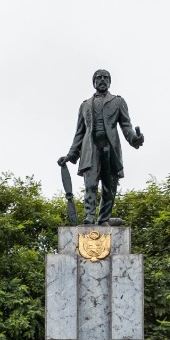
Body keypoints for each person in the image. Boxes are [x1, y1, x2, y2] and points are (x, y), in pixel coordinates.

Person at [59, 69, 145, 224]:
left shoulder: (118, 102)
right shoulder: (85, 105)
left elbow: (126, 125)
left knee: (109, 188)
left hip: (110, 149)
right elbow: (79, 133)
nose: (102, 80)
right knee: (90, 185)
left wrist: (134, 139)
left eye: (106, 77)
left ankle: (104, 219)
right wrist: (71, 155)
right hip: (90, 149)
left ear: (110, 81)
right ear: (94, 82)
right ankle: (89, 217)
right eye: (99, 78)